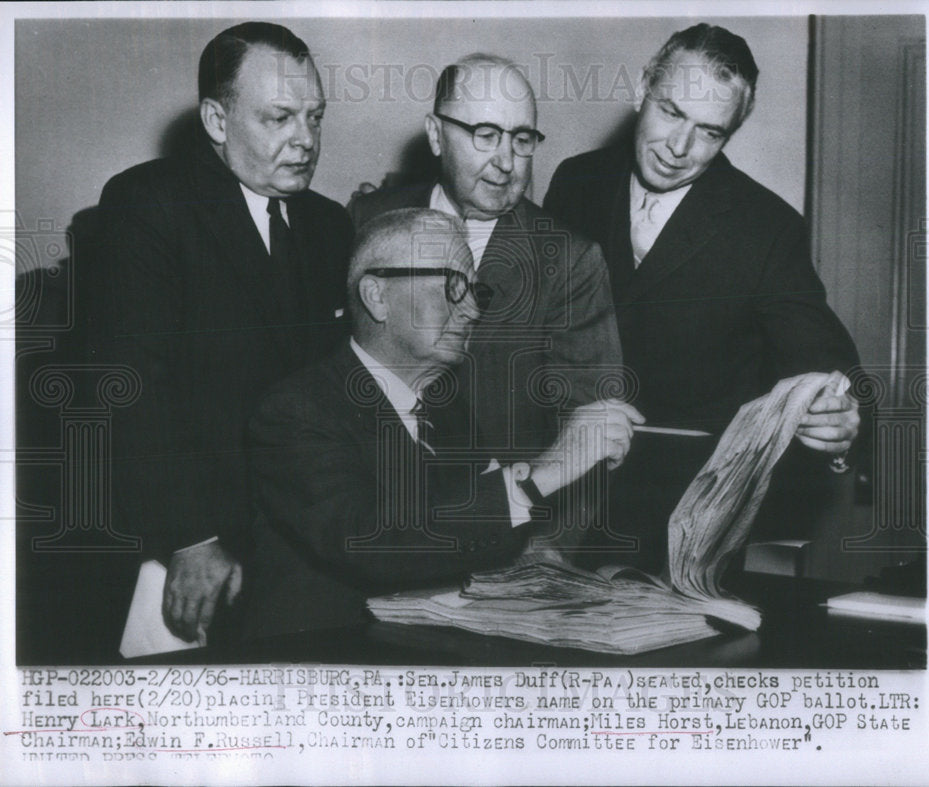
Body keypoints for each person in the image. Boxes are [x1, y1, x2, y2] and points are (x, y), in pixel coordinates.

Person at [543, 24, 861, 566]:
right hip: (557, 504)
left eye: (710, 132)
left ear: (731, 131)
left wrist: (842, 415)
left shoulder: (767, 228)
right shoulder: (575, 181)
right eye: (670, 111)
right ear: (644, 85)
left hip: (683, 529)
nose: (679, 147)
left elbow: (827, 367)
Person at [244, 209, 642, 640]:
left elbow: (469, 526)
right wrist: (545, 473)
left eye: (475, 290)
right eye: (452, 287)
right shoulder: (295, 410)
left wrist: (536, 554)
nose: (472, 310)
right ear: (377, 296)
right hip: (321, 661)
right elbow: (371, 542)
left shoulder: (444, 403)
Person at [89, 22, 353, 649]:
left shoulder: (329, 223)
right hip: (187, 543)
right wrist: (190, 536)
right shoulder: (145, 205)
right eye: (280, 118)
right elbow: (132, 389)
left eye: (315, 117)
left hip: (300, 543)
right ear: (215, 119)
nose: (305, 140)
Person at [349, 54, 623, 459]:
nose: (506, 162)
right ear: (436, 135)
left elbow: (590, 438)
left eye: (522, 139)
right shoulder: (367, 219)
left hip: (504, 512)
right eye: (486, 134)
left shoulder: (571, 261)